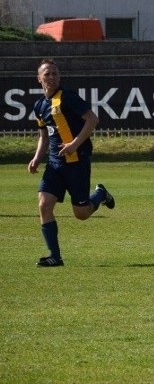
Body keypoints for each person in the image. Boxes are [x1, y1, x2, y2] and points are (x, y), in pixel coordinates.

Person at [27, 58, 115, 267]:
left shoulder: (67, 97)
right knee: (43, 205)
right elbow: (44, 136)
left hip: (77, 162)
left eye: (55, 73)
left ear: (60, 77)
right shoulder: (39, 106)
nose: (51, 77)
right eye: (47, 74)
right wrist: (37, 157)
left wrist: (75, 144)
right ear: (39, 79)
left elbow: (92, 119)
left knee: (81, 214)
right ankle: (55, 256)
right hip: (55, 164)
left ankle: (100, 194)